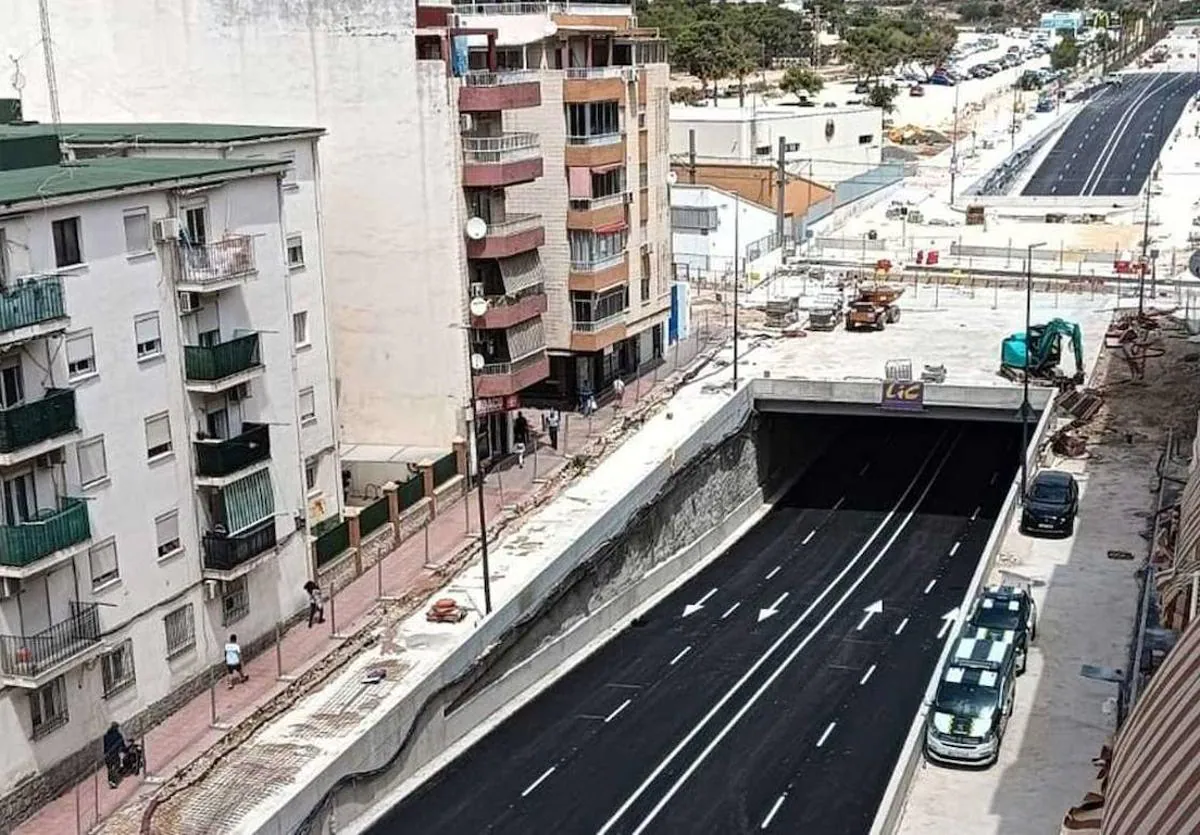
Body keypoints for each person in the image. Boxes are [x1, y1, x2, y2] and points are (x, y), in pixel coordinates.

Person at [103, 722, 128, 788]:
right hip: (114, 753)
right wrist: (124, 750)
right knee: (116, 766)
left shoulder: (106, 736)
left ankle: (111, 780)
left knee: (110, 768)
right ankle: (115, 781)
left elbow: (105, 746)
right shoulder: (118, 735)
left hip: (107, 754)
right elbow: (121, 744)